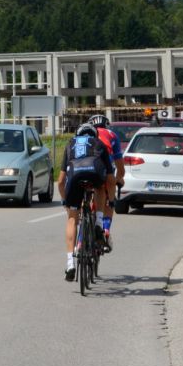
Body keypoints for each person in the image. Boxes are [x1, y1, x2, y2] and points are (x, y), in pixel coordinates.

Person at [57, 123, 115, 282]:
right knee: (100, 188)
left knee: (72, 219)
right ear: (94, 135)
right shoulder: (99, 143)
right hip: (95, 175)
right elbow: (110, 179)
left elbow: (61, 181)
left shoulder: (71, 144)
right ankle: (97, 223)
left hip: (75, 177)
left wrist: (65, 201)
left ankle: (70, 264)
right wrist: (112, 200)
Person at [88, 114, 124, 252]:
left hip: (81, 169)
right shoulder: (112, 135)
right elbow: (120, 167)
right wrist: (119, 179)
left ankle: (81, 220)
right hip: (103, 169)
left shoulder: (84, 135)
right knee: (109, 198)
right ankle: (106, 230)